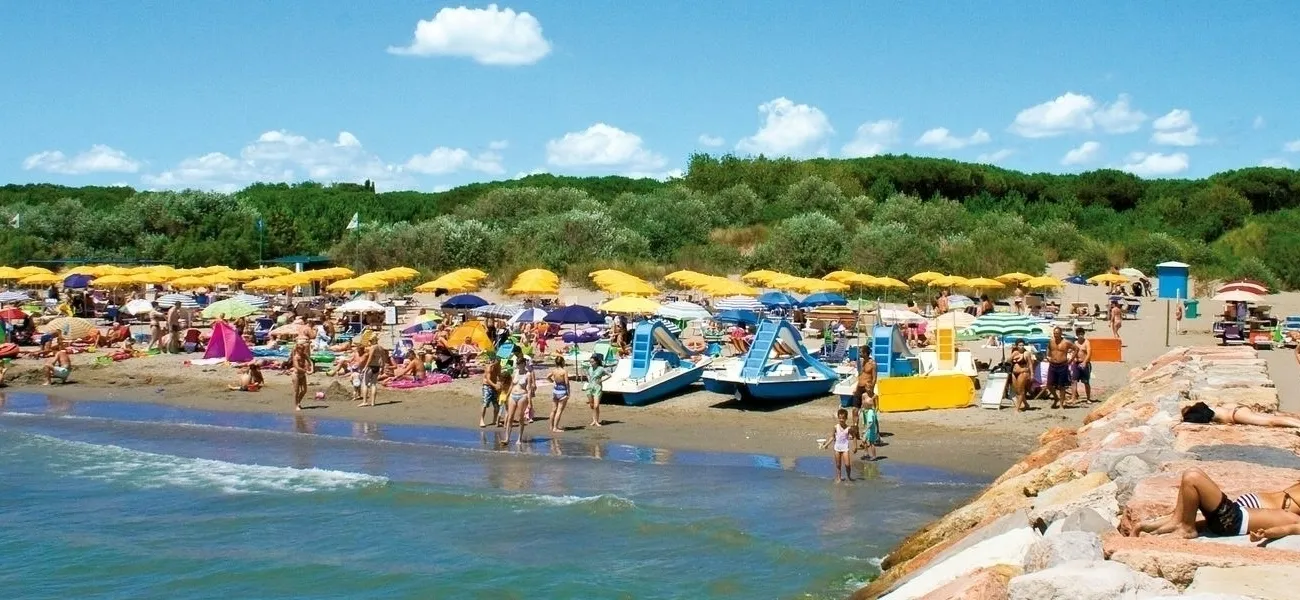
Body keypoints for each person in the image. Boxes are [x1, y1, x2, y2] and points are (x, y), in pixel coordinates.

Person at [1123, 467, 1300, 540]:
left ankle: (1186, 528)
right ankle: (1149, 527)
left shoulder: (1293, 520)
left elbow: (1289, 530)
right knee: (1188, 494)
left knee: (1192, 477)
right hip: (1234, 514)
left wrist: (1266, 534)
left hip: (1233, 521)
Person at [1181, 402, 1300, 428]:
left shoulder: (1197, 414)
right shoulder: (1203, 406)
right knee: (1273, 418)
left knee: (1271, 421)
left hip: (1235, 416)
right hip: (1237, 408)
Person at [501, 356, 535, 446]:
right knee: (510, 417)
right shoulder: (515, 372)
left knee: (520, 418)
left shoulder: (528, 374)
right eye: (517, 364)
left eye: (519, 364)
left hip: (522, 396)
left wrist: (530, 402)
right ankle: (507, 438)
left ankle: (519, 438)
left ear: (523, 364)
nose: (518, 366)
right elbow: (512, 385)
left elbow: (529, 389)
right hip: (513, 395)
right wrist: (507, 396)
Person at [820, 408, 854, 482]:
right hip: (837, 447)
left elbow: (853, 436)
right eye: (840, 418)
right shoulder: (835, 427)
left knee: (847, 464)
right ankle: (839, 477)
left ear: (846, 418)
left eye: (843, 418)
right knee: (838, 464)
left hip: (845, 448)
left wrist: (852, 436)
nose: (841, 420)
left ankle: (849, 477)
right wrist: (826, 445)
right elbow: (832, 437)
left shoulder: (848, 428)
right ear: (838, 418)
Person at [1045, 327, 1075, 409]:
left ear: (1061, 333)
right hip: (1053, 365)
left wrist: (1071, 360)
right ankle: (1056, 397)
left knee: (1062, 386)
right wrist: (1047, 356)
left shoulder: (1066, 342)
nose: (1055, 335)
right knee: (1049, 385)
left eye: (1057, 333)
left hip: (1062, 365)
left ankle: (1061, 404)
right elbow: (1048, 348)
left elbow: (1076, 349)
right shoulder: (1051, 341)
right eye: (1054, 333)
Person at [849, 352, 877, 427]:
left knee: (869, 411)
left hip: (867, 389)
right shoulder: (861, 362)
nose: (860, 353)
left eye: (861, 351)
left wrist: (871, 389)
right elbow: (861, 376)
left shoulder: (872, 363)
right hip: (859, 387)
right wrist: (856, 387)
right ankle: (855, 429)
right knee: (855, 410)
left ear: (866, 352)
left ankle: (873, 431)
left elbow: (874, 378)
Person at [358, 339, 388, 408]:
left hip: (371, 366)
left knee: (365, 383)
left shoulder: (373, 347)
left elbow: (370, 358)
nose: (369, 342)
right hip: (377, 366)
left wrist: (365, 367)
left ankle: (365, 401)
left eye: (370, 341)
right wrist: (382, 367)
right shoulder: (381, 348)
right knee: (374, 384)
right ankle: (373, 402)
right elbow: (383, 358)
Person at [546, 356, 570, 433]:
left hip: (555, 391)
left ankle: (551, 426)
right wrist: (568, 392)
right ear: (562, 362)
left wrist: (552, 381)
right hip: (562, 391)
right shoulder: (564, 371)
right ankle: (555, 427)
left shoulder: (554, 371)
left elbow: (547, 377)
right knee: (559, 410)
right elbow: (566, 382)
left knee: (553, 410)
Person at [585, 354, 609, 427]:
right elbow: (588, 374)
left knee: (596, 405)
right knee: (592, 405)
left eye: (592, 362)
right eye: (590, 362)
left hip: (597, 388)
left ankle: (596, 421)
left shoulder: (601, 368)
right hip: (590, 388)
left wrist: (601, 381)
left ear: (596, 362)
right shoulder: (589, 368)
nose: (591, 363)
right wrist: (588, 378)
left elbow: (609, 375)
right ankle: (594, 420)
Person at [1009, 339, 1032, 411]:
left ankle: (1017, 408)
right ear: (1017, 346)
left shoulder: (1026, 353)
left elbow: (1030, 364)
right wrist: (1013, 356)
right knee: (1016, 390)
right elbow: (1008, 360)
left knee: (1021, 390)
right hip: (1014, 373)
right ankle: (1026, 404)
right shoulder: (1015, 352)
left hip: (1023, 372)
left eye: (1022, 345)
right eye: (1019, 345)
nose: (1021, 347)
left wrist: (1032, 374)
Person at [1072, 327, 1093, 403]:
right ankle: (1073, 397)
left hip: (1085, 363)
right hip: (1076, 363)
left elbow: (1089, 353)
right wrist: (1073, 359)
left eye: (1082, 334)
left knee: (1086, 382)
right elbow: (1072, 352)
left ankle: (1088, 398)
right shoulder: (1075, 343)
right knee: (1074, 381)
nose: (1081, 335)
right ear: (1077, 335)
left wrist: (1084, 362)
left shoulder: (1087, 342)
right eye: (1079, 334)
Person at [290, 337, 312, 410]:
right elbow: (297, 367)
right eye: (301, 350)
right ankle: (296, 405)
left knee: (304, 390)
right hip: (296, 374)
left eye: (303, 349)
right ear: (297, 349)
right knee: (297, 391)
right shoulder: (295, 357)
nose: (302, 351)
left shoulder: (304, 355)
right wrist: (306, 371)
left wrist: (312, 368)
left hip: (302, 374)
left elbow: (310, 361)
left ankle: (298, 402)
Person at [480, 357, 502, 428]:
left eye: (499, 362)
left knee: (497, 404)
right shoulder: (489, 367)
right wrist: (495, 385)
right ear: (494, 361)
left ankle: (495, 420)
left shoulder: (499, 367)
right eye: (497, 362)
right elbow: (488, 379)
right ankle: (482, 420)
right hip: (487, 386)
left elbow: (499, 376)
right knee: (485, 403)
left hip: (494, 386)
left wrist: (502, 383)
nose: (498, 364)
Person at [859, 396, 881, 461]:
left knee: (871, 443)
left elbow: (870, 423)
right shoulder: (869, 411)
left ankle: (874, 456)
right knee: (864, 440)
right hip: (869, 429)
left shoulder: (870, 412)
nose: (863, 406)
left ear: (867, 405)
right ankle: (866, 454)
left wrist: (866, 430)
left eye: (864, 405)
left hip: (870, 430)